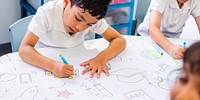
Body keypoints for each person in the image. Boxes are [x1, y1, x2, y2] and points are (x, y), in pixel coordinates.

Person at [19, 0, 126, 78]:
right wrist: (52, 66)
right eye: (78, 18)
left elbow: (119, 40)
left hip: (76, 61)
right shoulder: (47, 13)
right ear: (66, 2)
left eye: (89, 24)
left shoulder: (91, 17)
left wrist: (102, 58)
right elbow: (24, 49)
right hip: (43, 63)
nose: (80, 28)